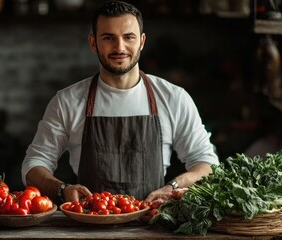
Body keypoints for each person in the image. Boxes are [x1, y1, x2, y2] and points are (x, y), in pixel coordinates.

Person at [21, 0, 219, 204]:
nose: (119, 47)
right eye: (108, 38)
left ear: (141, 42)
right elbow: (34, 164)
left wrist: (173, 187)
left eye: (128, 37)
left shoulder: (174, 98)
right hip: (87, 226)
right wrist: (62, 189)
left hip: (153, 225)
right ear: (93, 43)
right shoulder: (67, 101)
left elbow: (207, 163)